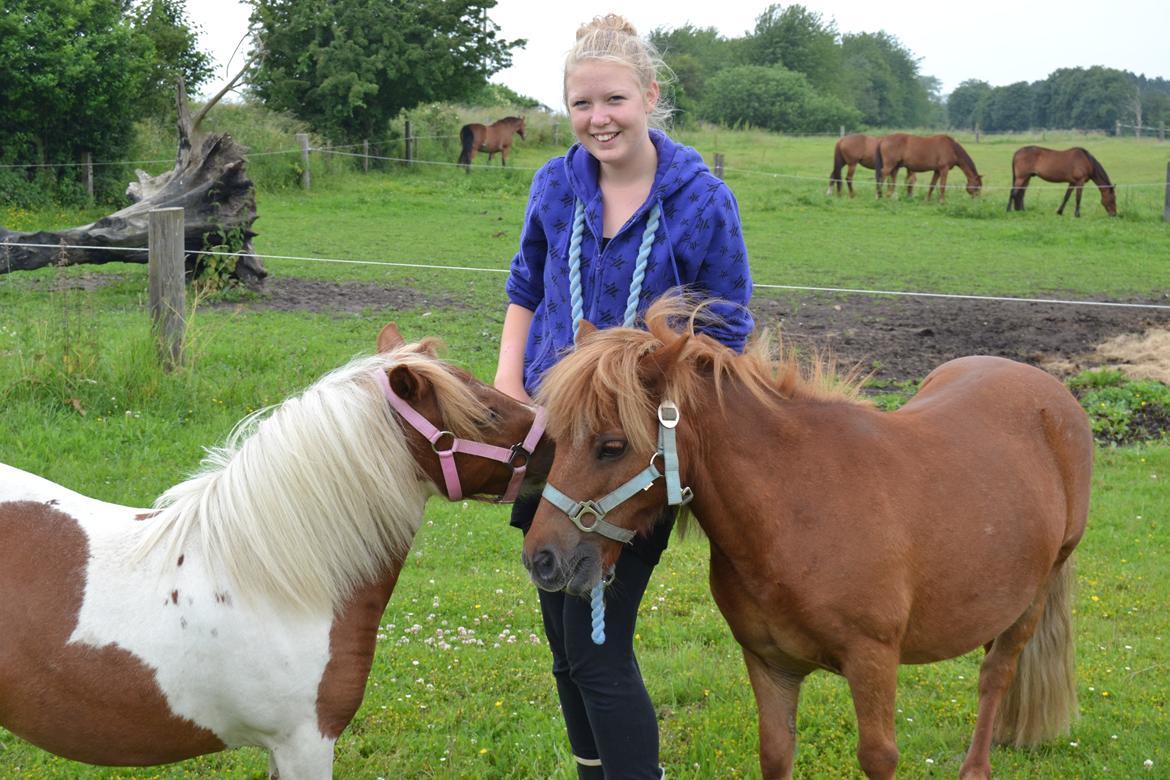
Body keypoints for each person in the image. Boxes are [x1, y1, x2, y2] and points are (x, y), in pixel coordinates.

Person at [493, 14, 753, 780]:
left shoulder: (703, 201)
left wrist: (647, 390)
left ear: (649, 95)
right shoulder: (553, 183)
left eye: (613, 100)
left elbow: (728, 331)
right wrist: (511, 383)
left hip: (628, 457)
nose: (598, 119)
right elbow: (523, 285)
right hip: (552, 434)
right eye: (581, 105)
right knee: (562, 647)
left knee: (597, 649)